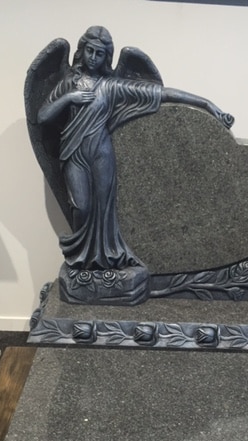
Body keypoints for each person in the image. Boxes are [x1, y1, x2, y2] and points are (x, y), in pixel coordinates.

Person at [37, 25, 233, 272]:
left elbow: (161, 93)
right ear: (82, 50)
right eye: (90, 51)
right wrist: (70, 98)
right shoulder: (69, 84)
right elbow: (43, 116)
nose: (94, 57)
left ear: (106, 57)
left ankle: (102, 261)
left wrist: (208, 104)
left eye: (99, 53)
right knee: (81, 207)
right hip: (74, 154)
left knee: (105, 211)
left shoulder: (112, 86)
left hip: (101, 152)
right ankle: (80, 262)